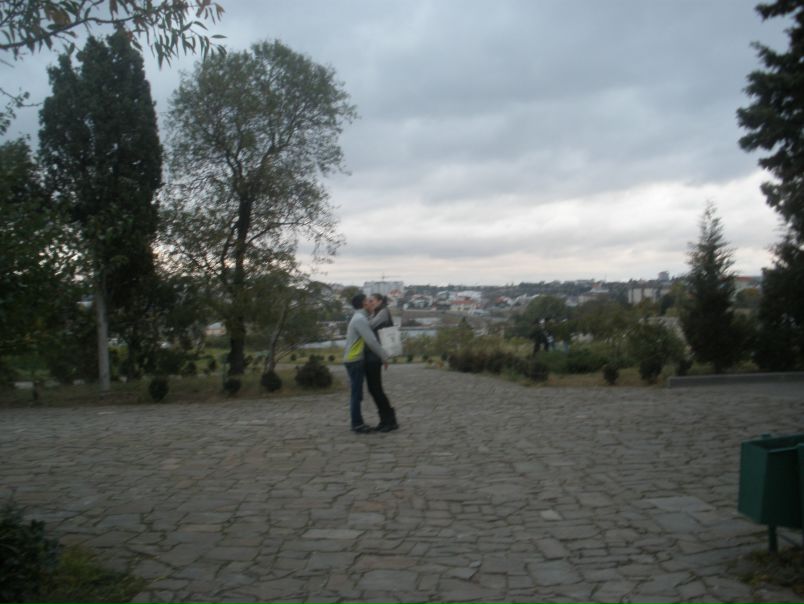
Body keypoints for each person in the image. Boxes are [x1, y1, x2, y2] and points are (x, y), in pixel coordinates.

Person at [343, 293, 390, 433]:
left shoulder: (360, 317)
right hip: (354, 359)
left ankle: (357, 422)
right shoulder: (360, 319)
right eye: (368, 301)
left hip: (354, 359)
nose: (370, 304)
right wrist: (384, 356)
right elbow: (371, 341)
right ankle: (357, 424)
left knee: (357, 394)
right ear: (364, 304)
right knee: (356, 395)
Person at [366, 294, 399, 432]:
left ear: (380, 301)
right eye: (368, 301)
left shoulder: (383, 312)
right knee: (374, 389)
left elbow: (369, 326)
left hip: (375, 355)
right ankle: (385, 420)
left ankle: (390, 420)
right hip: (374, 355)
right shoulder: (377, 312)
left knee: (376, 389)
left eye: (372, 301)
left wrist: (367, 314)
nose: (369, 303)